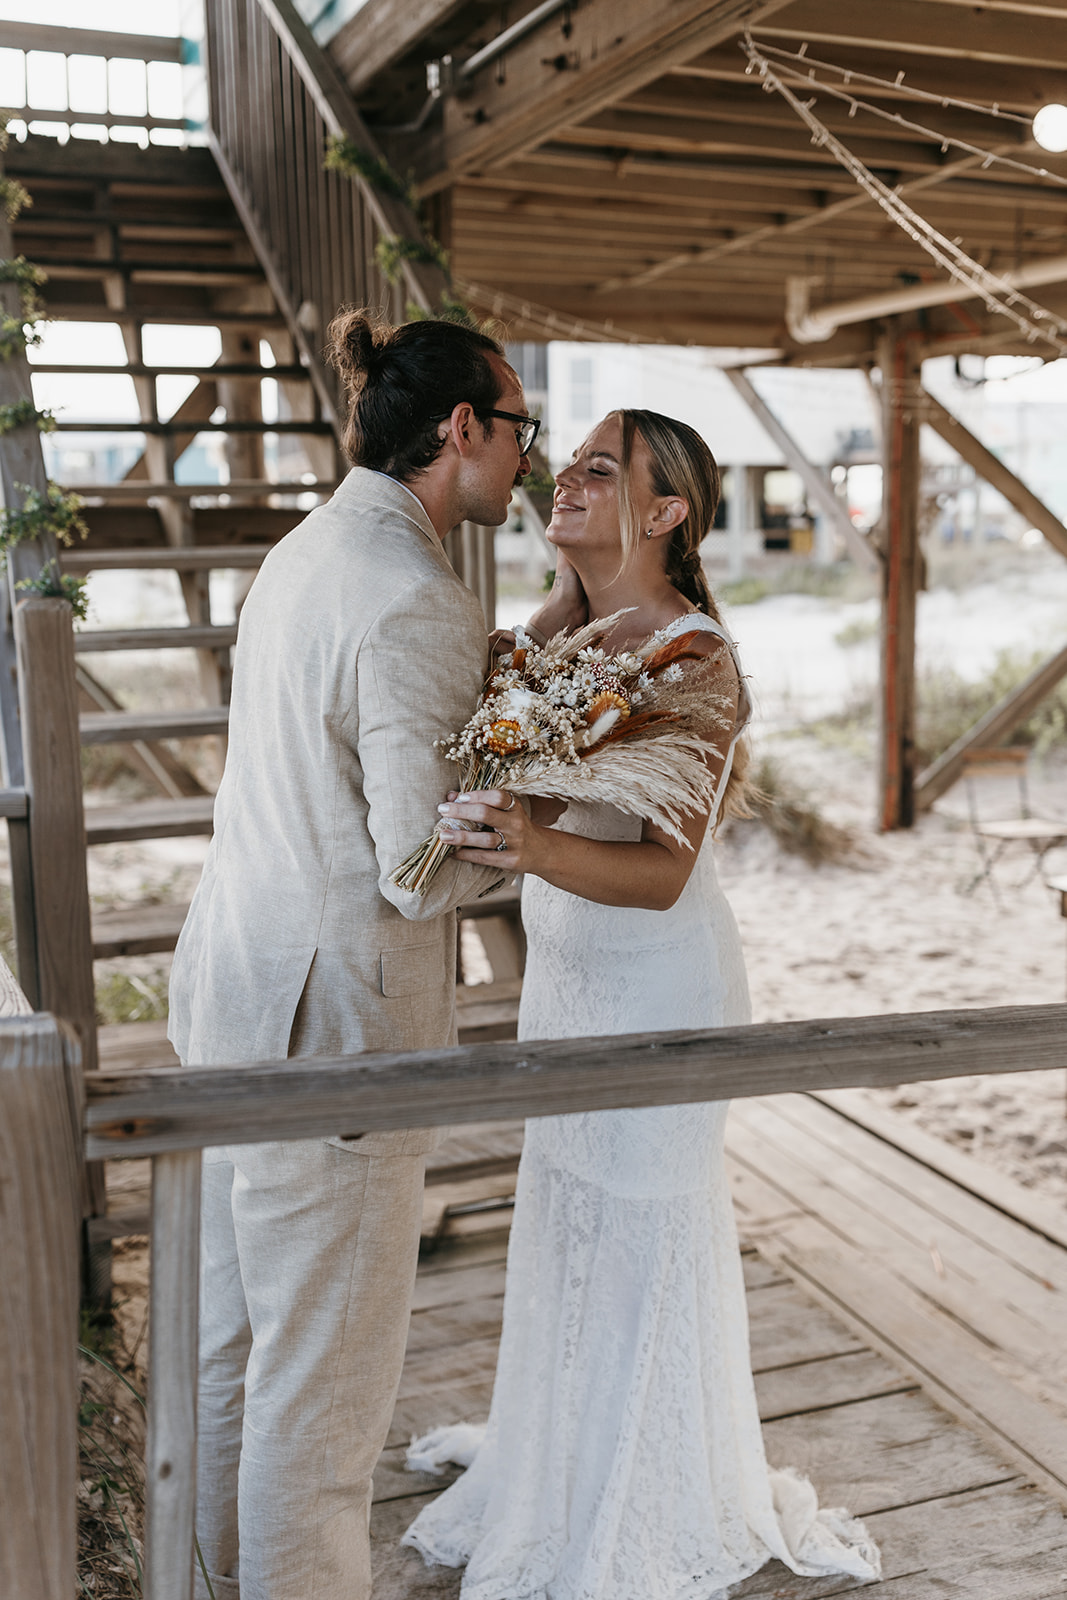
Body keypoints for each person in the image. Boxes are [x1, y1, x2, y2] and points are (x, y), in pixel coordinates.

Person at [401, 410, 882, 1598]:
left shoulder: (692, 655)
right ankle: (558, 1464)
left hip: (656, 984)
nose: (563, 479)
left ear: (665, 512)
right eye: (566, 465)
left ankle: (638, 1498)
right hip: (564, 979)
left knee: (636, 1239)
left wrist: (524, 840)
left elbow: (663, 874)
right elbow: (533, 779)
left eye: (598, 470)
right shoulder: (565, 636)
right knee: (567, 1219)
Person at [167, 310, 548, 1600]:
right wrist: (533, 818)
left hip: (232, 999)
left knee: (233, 1352)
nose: (527, 456)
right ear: (458, 430)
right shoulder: (415, 600)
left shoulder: (301, 551)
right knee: (322, 1405)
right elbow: (417, 865)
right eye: (518, 428)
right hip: (332, 1039)